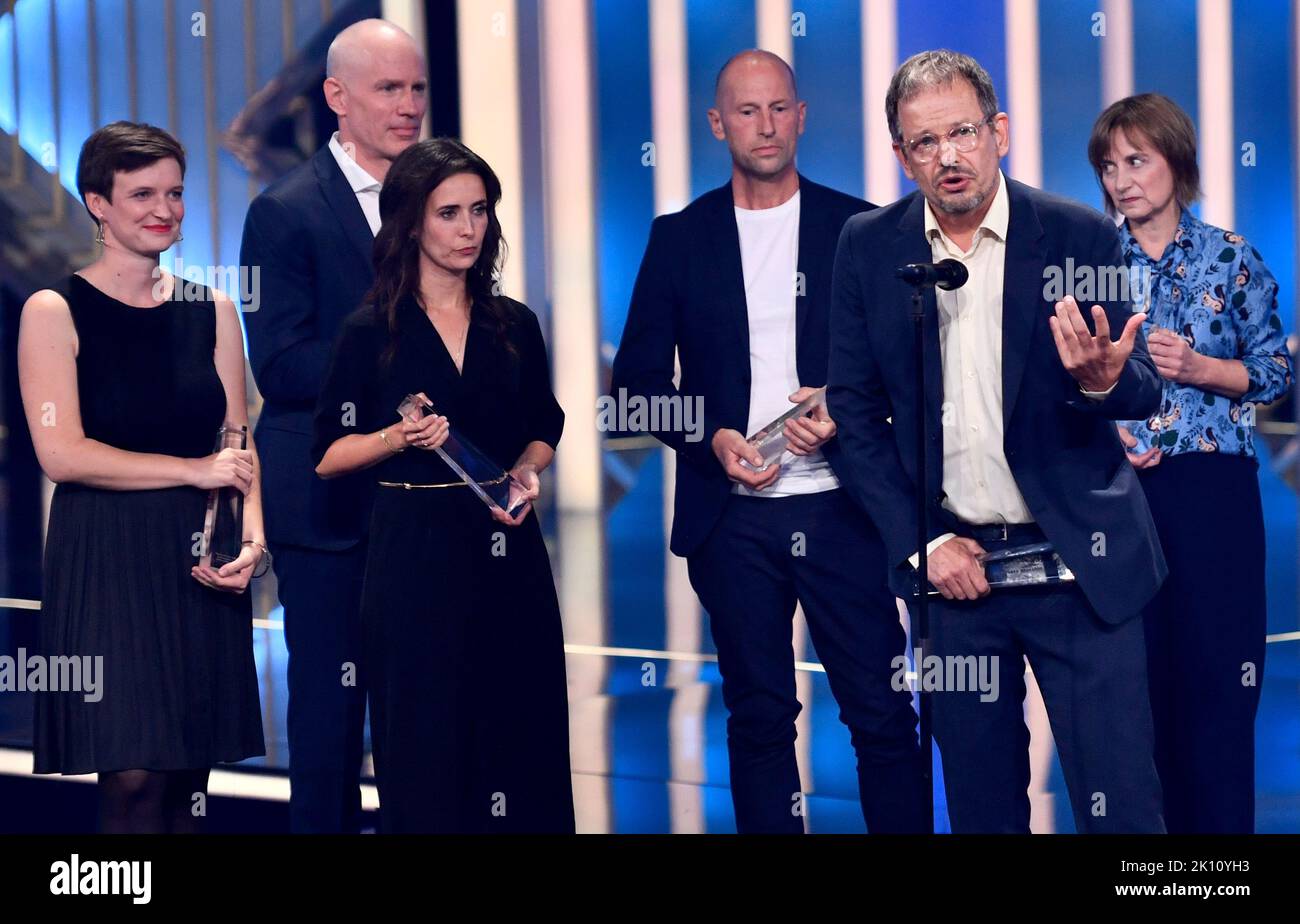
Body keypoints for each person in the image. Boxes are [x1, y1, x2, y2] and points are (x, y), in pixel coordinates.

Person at [828, 50, 1167, 833]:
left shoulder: (1078, 234)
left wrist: (1101, 383)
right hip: (957, 581)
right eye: (923, 142)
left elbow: (1140, 382)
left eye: (963, 132)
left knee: (1124, 809)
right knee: (982, 811)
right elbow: (852, 410)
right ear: (900, 154)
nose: (948, 156)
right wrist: (925, 544)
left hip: (1083, 567)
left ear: (999, 132)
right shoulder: (868, 247)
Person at [612, 50, 927, 834]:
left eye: (780, 107)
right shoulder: (679, 238)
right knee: (757, 720)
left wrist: (847, 411)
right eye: (747, 111)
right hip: (734, 518)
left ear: (802, 114)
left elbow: (914, 366)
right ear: (718, 123)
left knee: (884, 715)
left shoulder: (861, 228)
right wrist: (709, 436)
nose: (766, 125)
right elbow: (636, 386)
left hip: (843, 506)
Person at [312, 137, 574, 833]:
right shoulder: (369, 331)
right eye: (449, 213)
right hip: (412, 557)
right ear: (410, 223)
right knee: (426, 749)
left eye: (479, 211)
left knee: (521, 738)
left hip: (506, 551)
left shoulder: (513, 322)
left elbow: (545, 424)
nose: (468, 229)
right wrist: (396, 438)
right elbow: (328, 454)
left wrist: (528, 470)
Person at [18, 122, 266, 832]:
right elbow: (61, 453)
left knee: (189, 778)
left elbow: (238, 441)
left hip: (197, 556)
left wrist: (253, 543)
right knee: (131, 778)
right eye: (142, 194)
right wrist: (191, 471)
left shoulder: (211, 308)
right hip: (105, 553)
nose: (165, 209)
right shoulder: (53, 310)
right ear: (97, 202)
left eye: (176, 193)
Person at [238, 18, 426, 833]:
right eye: (390, 89)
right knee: (329, 724)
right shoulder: (283, 213)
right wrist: (398, 369)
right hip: (329, 505)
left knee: (425, 714)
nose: (410, 105)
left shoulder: (439, 199)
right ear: (337, 97)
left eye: (418, 87)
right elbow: (278, 366)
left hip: (425, 497)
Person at [1088, 93, 1293, 833]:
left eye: (1136, 161)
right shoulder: (1089, 263)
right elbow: (1056, 389)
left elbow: (1275, 374)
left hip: (1213, 494)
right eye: (1109, 166)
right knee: (1138, 701)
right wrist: (1106, 425)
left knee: (1221, 690)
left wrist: (1205, 368)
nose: (1121, 180)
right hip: (1118, 499)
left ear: (1177, 160)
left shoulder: (1231, 256)